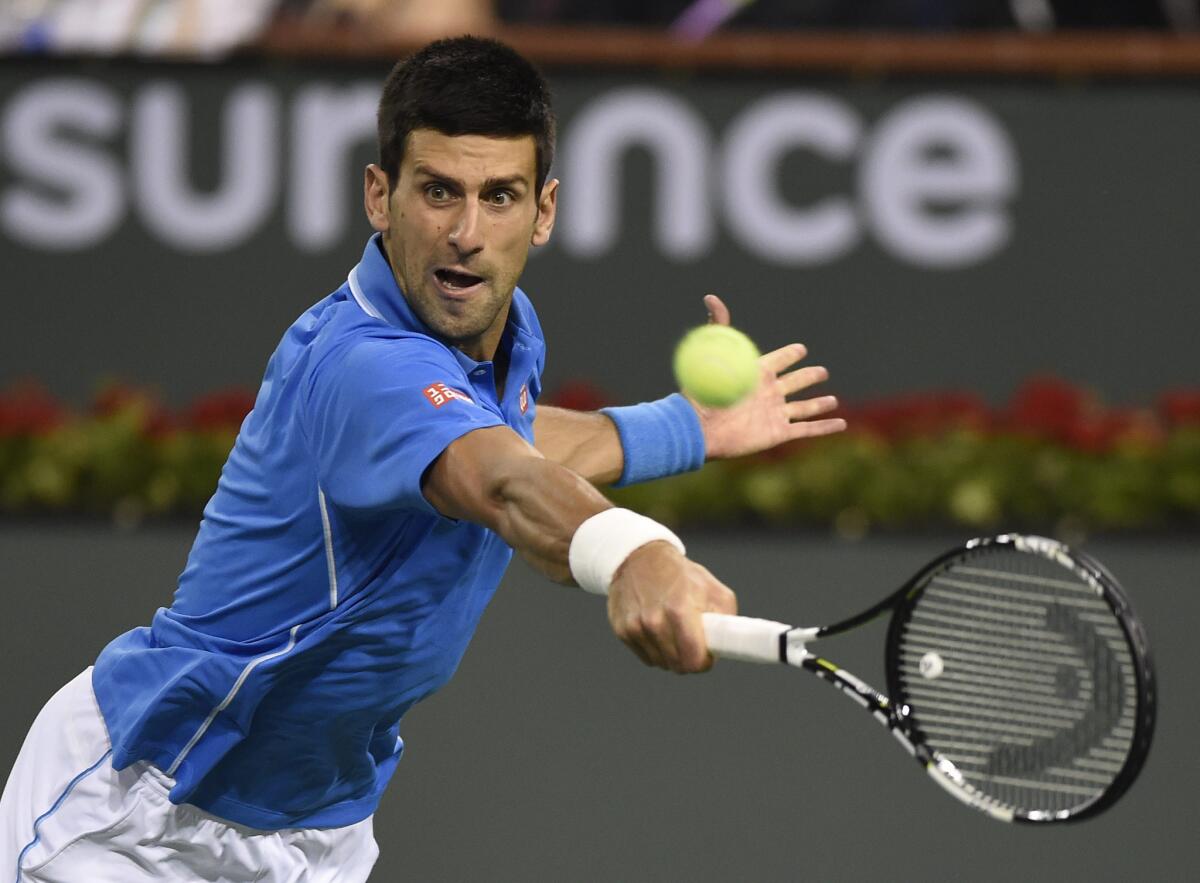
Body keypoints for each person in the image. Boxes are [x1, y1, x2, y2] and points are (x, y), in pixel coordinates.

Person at [0, 35, 844, 882]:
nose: (467, 233)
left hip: (320, 830)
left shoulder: (502, 336)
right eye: (438, 191)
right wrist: (634, 550)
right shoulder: (363, 360)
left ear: (544, 211)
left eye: (500, 196)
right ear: (381, 196)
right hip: (142, 811)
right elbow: (504, 481)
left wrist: (682, 428)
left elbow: (509, 435)